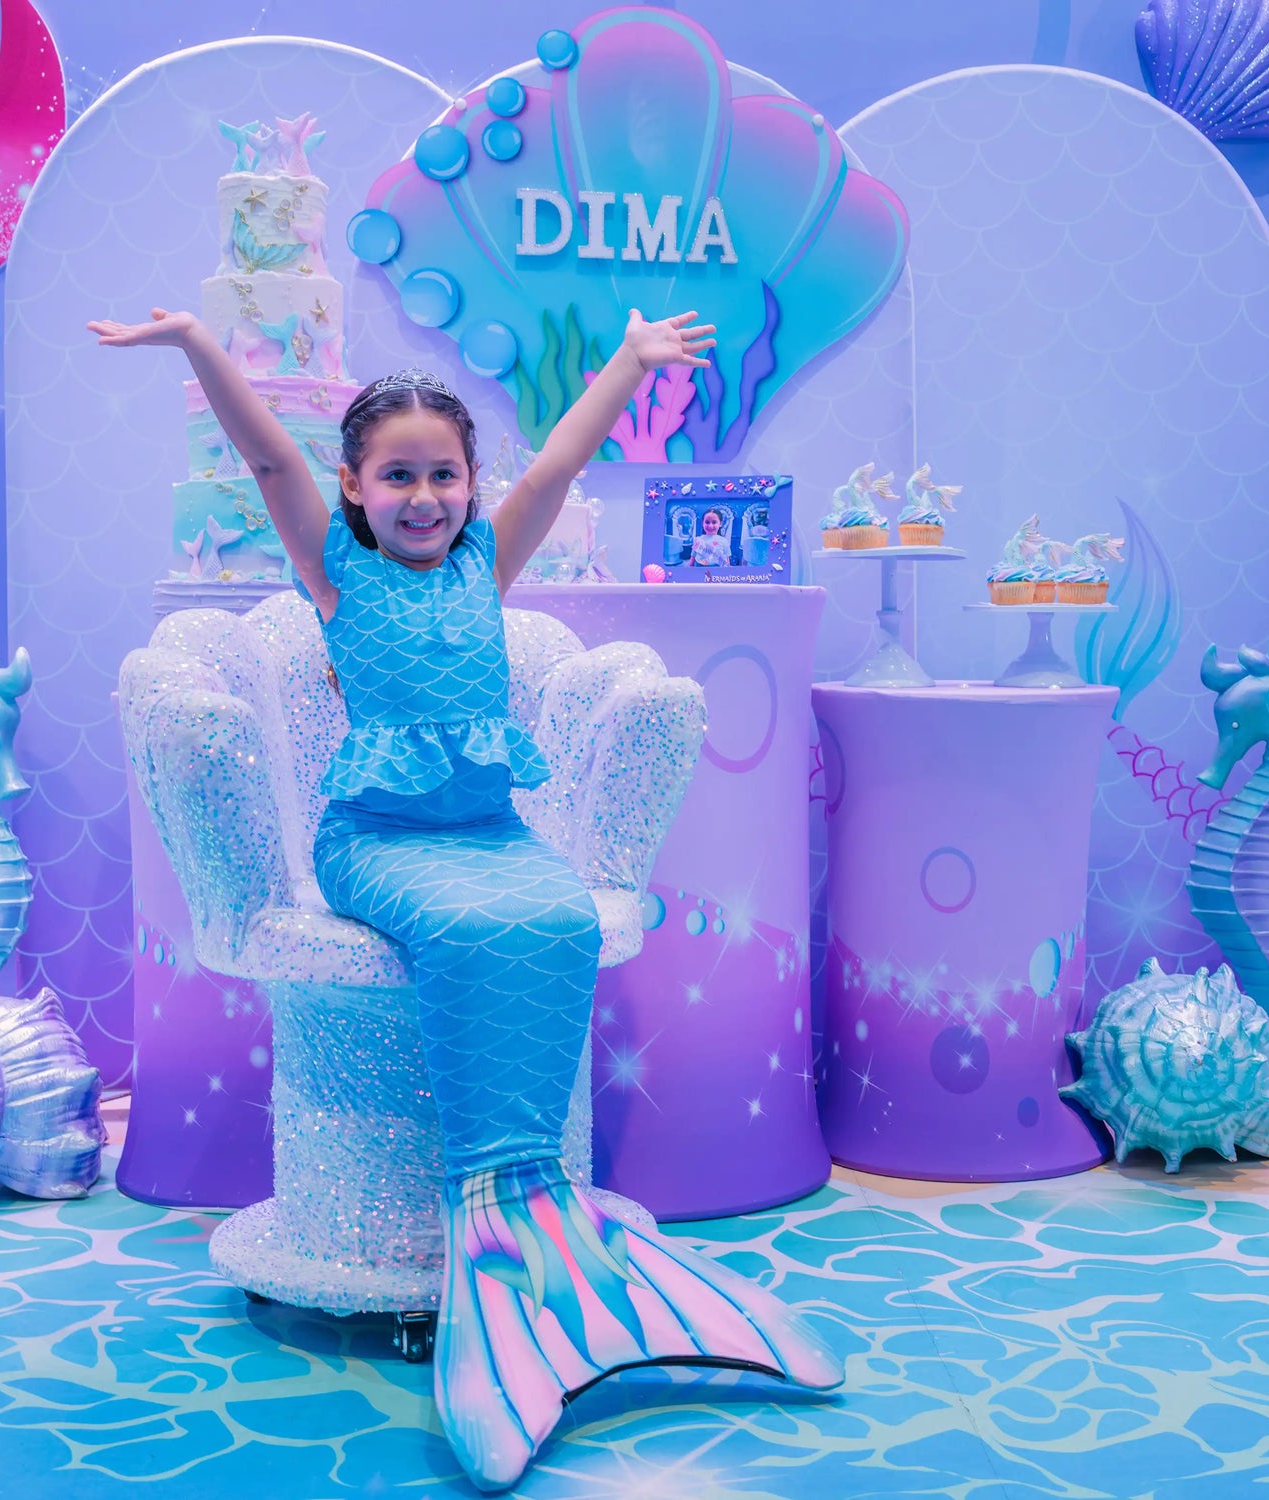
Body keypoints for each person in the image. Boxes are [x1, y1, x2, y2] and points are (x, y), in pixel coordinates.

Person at [88, 306, 843, 1492]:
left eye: (445, 473)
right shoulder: (334, 567)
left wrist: (633, 362)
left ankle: (537, 1207)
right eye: (399, 476)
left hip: (488, 828)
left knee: (547, 917)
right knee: (470, 926)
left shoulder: (490, 558)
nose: (427, 496)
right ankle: (491, 1202)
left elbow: (558, 463)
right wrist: (195, 345)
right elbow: (269, 457)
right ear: (354, 487)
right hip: (376, 838)